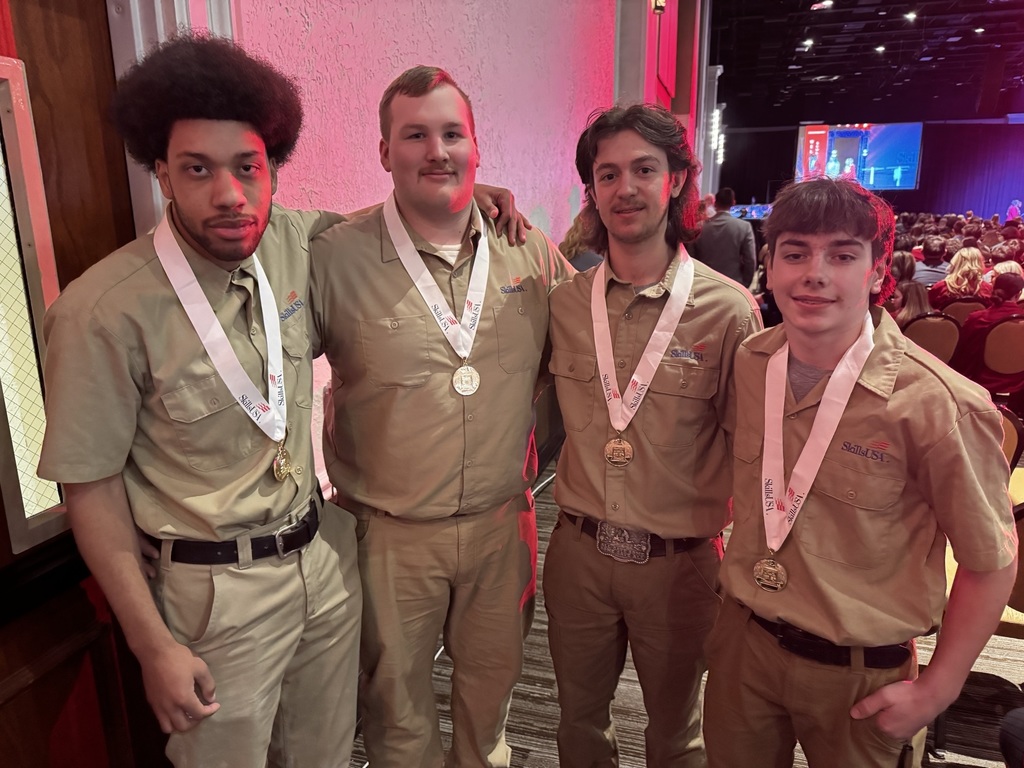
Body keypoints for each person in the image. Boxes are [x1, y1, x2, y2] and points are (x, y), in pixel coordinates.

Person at [35, 35, 363, 767]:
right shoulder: (103, 311)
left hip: (322, 563)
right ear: (160, 171)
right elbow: (89, 491)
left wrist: (471, 198)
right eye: (197, 169)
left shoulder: (293, 240)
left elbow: (395, 225)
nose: (229, 193)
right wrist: (152, 646)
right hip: (214, 604)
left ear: (271, 166)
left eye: (247, 167)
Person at [703, 177, 1018, 768]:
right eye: (795, 253)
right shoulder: (751, 362)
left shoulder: (940, 404)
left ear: (877, 273)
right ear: (768, 267)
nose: (814, 273)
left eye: (842, 255)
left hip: (859, 677)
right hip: (744, 648)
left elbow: (991, 562)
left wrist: (940, 688)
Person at [308, 66, 572, 768]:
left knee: (492, 696)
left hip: (500, 526)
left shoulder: (530, 252)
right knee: (395, 708)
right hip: (387, 536)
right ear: (384, 151)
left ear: (477, 147)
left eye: (452, 134)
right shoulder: (334, 258)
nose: (437, 151)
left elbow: (591, 350)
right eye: (415, 135)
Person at [544, 103, 760, 768]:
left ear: (675, 181)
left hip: (679, 565)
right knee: (577, 724)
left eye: (644, 169)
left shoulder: (727, 311)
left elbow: (754, 457)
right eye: (608, 175)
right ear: (593, 193)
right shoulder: (565, 304)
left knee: (676, 734)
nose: (626, 188)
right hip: (578, 555)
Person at [949, 272, 1024, 402]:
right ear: (1018, 294)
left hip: (981, 380)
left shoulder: (977, 318)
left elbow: (963, 352)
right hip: (1019, 382)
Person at [690, 186, 757, 287]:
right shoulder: (744, 227)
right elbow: (750, 260)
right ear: (733, 203)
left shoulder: (699, 227)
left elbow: (691, 258)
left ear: (715, 203)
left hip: (703, 285)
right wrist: (744, 285)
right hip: (733, 286)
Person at [928, 246, 993, 310]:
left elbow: (929, 307)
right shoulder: (987, 289)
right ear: (980, 264)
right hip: (976, 321)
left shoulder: (940, 287)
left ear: (955, 263)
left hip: (945, 320)